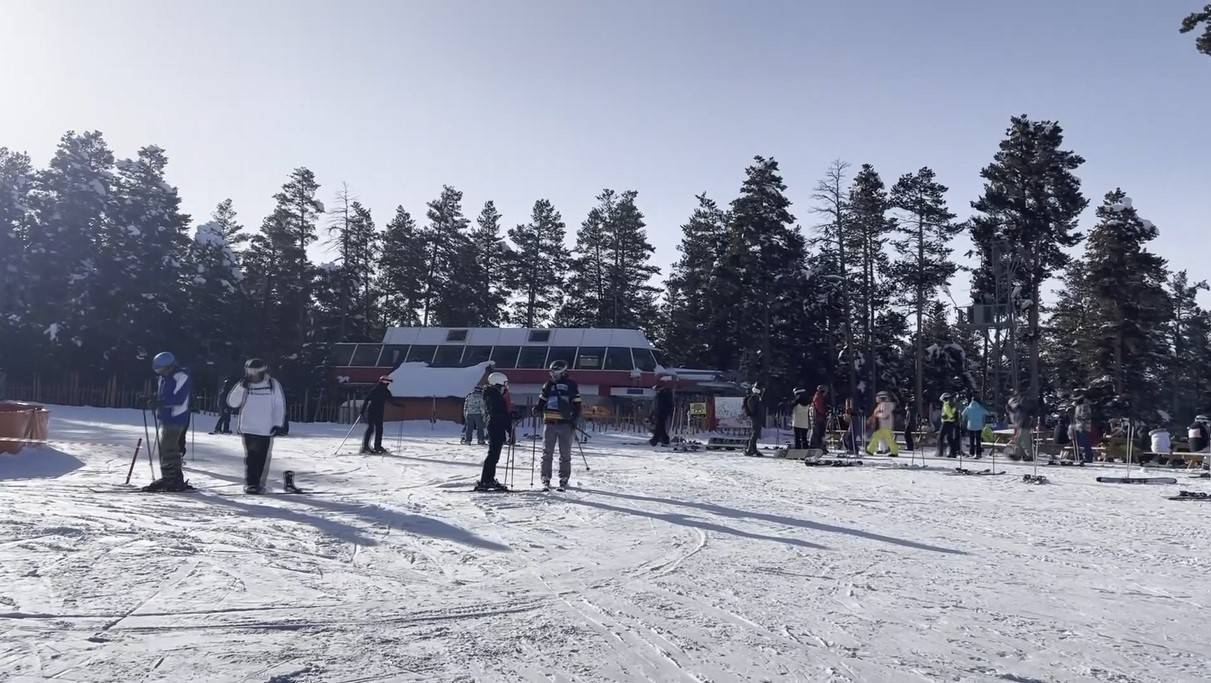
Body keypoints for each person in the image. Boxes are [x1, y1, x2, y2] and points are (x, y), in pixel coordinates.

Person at [225, 358, 286, 494]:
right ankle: (252, 484)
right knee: (251, 457)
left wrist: (277, 423)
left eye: (254, 372)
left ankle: (257, 482)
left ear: (261, 371)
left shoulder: (272, 384)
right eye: (249, 371)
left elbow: (279, 405)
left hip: (265, 428)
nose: (251, 374)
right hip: (248, 427)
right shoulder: (244, 384)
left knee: (261, 458)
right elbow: (232, 403)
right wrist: (241, 387)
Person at [143, 352, 192, 492]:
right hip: (166, 417)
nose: (160, 373)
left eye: (162, 369)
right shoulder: (164, 378)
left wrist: (160, 402)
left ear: (169, 366)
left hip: (177, 417)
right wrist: (152, 399)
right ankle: (173, 478)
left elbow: (179, 398)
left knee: (168, 448)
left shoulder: (181, 376)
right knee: (167, 448)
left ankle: (171, 479)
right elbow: (164, 395)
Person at [535, 360, 582, 490]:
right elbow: (542, 400)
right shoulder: (548, 385)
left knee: (565, 453)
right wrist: (537, 408)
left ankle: (564, 477)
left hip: (565, 424)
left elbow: (577, 404)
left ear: (563, 372)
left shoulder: (571, 385)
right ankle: (545, 477)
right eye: (551, 373)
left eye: (555, 373)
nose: (553, 376)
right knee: (547, 453)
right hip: (549, 422)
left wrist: (574, 419)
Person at [476, 372, 513, 491]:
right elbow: (499, 413)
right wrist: (508, 421)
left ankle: (488, 479)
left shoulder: (493, 394)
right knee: (493, 454)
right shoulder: (493, 396)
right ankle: (486, 480)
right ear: (498, 383)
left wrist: (509, 418)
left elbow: (501, 412)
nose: (505, 387)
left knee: (494, 454)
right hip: (496, 425)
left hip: (496, 425)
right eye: (504, 384)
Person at [361, 376, 402, 454]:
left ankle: (376, 446)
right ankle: (367, 447)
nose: (388, 384)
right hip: (373, 411)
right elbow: (367, 399)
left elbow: (391, 400)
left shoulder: (383, 391)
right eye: (388, 383)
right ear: (384, 382)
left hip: (377, 412)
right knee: (372, 428)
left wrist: (400, 405)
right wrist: (362, 410)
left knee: (378, 429)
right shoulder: (377, 390)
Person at [866, 391, 899, 456]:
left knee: (886, 439)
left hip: (885, 425)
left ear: (881, 398)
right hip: (883, 425)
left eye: (877, 397)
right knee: (879, 437)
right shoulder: (882, 405)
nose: (876, 398)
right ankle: (871, 450)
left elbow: (885, 415)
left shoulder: (885, 405)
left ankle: (871, 450)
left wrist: (877, 415)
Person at [649, 376, 674, 447]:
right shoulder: (662, 394)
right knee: (661, 426)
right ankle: (665, 439)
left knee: (659, 426)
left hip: (663, 412)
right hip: (660, 411)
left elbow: (665, 404)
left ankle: (655, 440)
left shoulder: (664, 393)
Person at [743, 384, 765, 456]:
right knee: (755, 434)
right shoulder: (754, 397)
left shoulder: (757, 397)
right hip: (756, 418)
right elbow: (753, 408)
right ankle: (750, 449)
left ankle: (754, 449)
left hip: (757, 418)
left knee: (755, 433)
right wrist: (755, 414)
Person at [936, 393, 961, 458]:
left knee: (940, 437)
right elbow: (954, 411)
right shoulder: (952, 404)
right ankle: (953, 453)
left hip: (946, 422)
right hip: (951, 423)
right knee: (949, 438)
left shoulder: (946, 404)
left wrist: (949, 416)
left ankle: (940, 452)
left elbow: (948, 412)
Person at [1073, 394, 1095, 463]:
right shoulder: (1078, 406)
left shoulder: (1085, 406)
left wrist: (1080, 417)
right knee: (1080, 442)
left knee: (1085, 442)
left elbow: (1086, 416)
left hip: (1084, 426)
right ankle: (1080, 455)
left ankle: (1088, 457)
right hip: (1078, 426)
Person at [810, 385, 829, 451]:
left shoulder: (818, 396)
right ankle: (816, 446)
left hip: (819, 417)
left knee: (819, 432)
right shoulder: (819, 397)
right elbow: (820, 408)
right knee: (818, 433)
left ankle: (818, 445)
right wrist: (825, 411)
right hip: (819, 418)